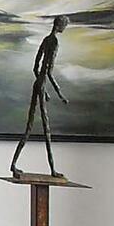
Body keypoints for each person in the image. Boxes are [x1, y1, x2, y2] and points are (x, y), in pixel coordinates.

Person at [10, 15, 70, 176]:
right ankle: (52, 170)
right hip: (41, 86)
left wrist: (44, 90)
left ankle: (13, 165)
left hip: (37, 85)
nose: (65, 27)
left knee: (29, 127)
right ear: (60, 25)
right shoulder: (55, 43)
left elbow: (36, 68)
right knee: (47, 130)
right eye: (65, 24)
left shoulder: (45, 39)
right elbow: (49, 72)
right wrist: (60, 94)